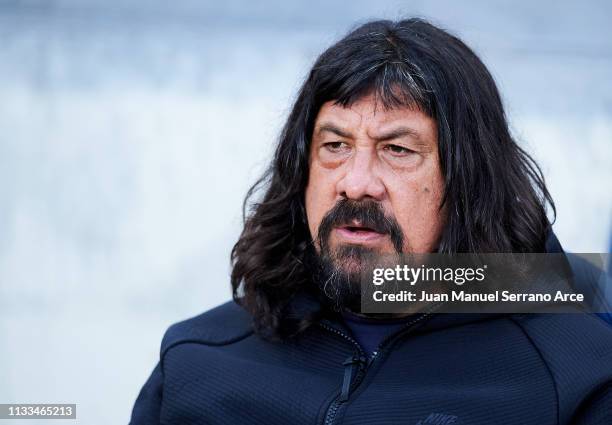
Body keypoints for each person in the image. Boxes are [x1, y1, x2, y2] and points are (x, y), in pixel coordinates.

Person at [129, 18, 612, 424]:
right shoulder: (196, 361)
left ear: (470, 180)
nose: (356, 183)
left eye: (397, 149)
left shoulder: (575, 374)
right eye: (334, 146)